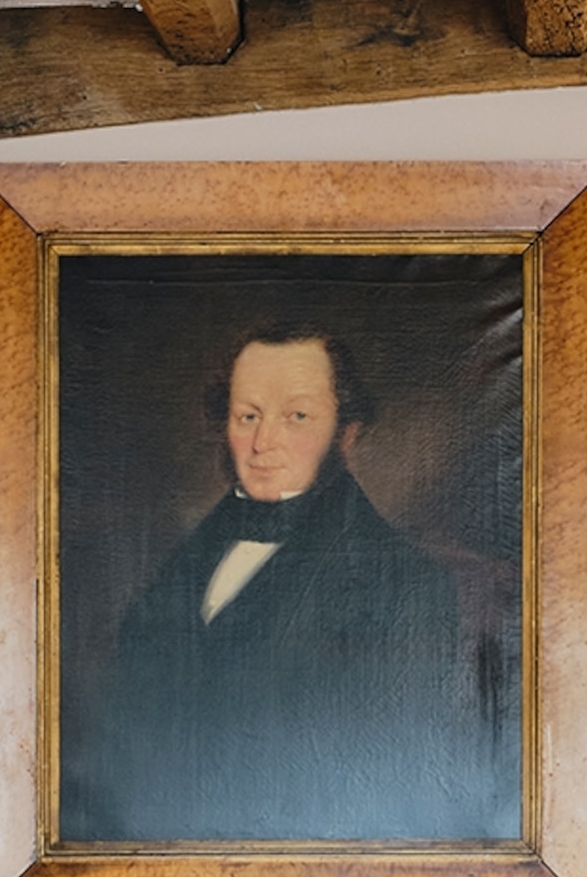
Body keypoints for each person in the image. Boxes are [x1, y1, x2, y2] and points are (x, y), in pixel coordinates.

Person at [66, 324, 511, 843]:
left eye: (297, 416)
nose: (263, 443)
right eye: (247, 416)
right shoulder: (184, 563)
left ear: (346, 432)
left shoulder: (403, 585)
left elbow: (382, 785)